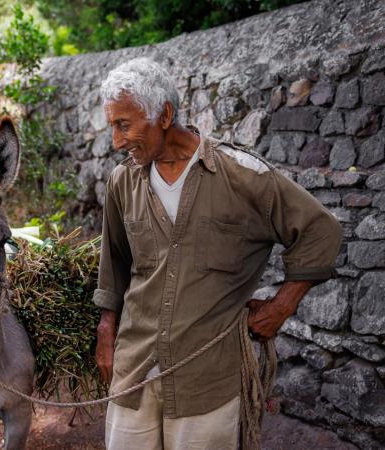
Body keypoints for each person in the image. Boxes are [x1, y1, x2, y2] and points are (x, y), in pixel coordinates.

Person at [93, 57, 342, 450]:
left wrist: (282, 306)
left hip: (207, 379)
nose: (117, 141)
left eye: (124, 125)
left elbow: (320, 230)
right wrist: (107, 330)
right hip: (134, 369)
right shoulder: (123, 181)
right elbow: (115, 264)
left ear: (163, 115)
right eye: (112, 127)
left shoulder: (243, 176)